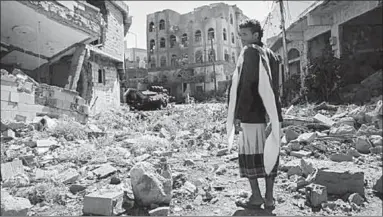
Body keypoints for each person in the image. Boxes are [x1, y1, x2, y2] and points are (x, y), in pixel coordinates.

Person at [227, 19, 283, 210]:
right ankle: (269, 198)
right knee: (270, 155)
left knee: (249, 155)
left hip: (252, 115)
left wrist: (236, 114)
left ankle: (256, 196)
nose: (241, 39)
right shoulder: (272, 55)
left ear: (255, 35)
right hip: (271, 115)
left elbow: (246, 87)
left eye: (244, 34)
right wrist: (275, 116)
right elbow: (275, 89)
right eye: (240, 34)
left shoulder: (250, 52)